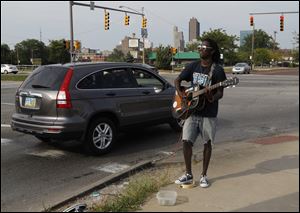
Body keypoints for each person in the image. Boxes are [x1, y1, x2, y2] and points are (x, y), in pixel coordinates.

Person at [174, 38, 227, 188]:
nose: (201, 49)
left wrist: (212, 97)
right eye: (200, 46)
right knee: (186, 141)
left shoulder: (217, 70)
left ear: (212, 51)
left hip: (209, 113)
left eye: (204, 47)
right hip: (192, 111)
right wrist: (183, 95)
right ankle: (188, 175)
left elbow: (220, 93)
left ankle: (203, 176)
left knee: (207, 143)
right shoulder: (193, 66)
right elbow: (178, 81)